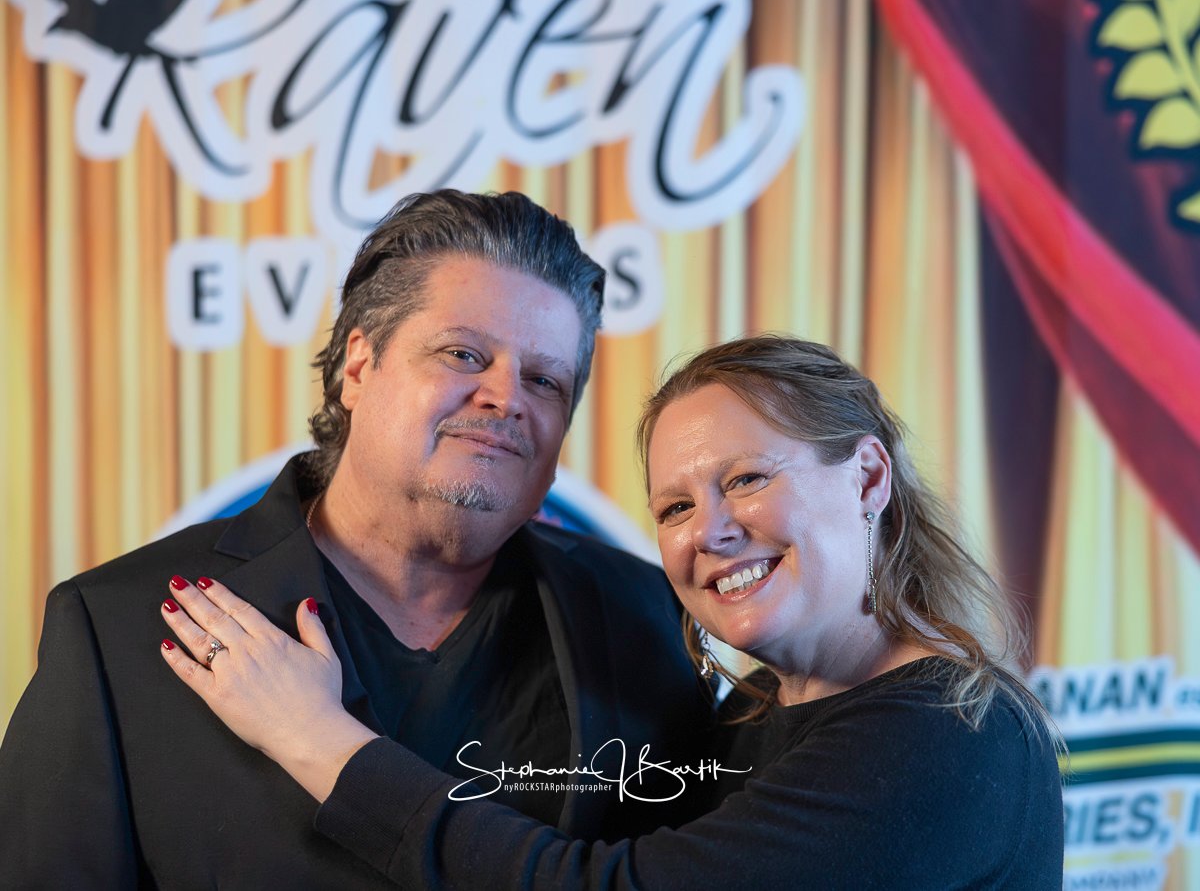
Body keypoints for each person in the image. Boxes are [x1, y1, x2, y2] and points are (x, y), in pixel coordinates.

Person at [157, 335, 1066, 888]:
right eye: (674, 508)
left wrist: (318, 741)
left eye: (748, 479)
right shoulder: (745, 718)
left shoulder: (947, 734)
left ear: (866, 477)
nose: (710, 532)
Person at [0, 190, 711, 887]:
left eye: (545, 380)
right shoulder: (118, 626)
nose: (506, 397)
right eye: (464, 355)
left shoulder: (651, 618)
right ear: (358, 366)